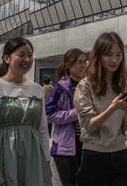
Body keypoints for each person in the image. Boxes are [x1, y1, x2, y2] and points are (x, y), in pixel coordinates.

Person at [0, 37, 52, 186]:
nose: (26, 59)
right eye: (21, 54)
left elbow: (43, 128)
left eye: (30, 55)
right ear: (7, 58)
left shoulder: (37, 89)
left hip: (33, 155)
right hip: (5, 153)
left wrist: (46, 159)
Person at [74, 32, 127, 186]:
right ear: (98, 56)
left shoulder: (124, 85)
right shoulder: (85, 85)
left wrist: (125, 109)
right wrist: (113, 108)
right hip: (94, 155)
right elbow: (89, 125)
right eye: (108, 54)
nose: (114, 60)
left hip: (120, 155)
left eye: (118, 55)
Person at [46, 48, 88, 186]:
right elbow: (49, 114)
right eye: (79, 62)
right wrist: (76, 113)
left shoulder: (90, 85)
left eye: (84, 62)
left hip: (88, 144)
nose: (83, 66)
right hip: (65, 148)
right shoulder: (60, 88)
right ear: (69, 65)